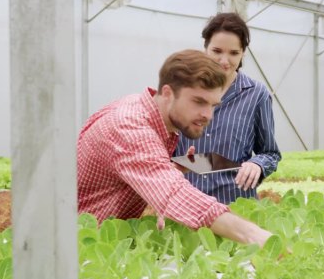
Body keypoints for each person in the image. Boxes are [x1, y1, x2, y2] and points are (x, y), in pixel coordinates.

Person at [77, 49, 272, 247]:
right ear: (168, 93)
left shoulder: (144, 109)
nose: (208, 115)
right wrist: (255, 236)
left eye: (213, 105)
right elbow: (175, 194)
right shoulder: (129, 127)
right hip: (80, 249)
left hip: (104, 242)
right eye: (198, 101)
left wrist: (169, 171)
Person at [175, 13, 281, 204]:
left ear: (243, 53)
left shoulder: (257, 94)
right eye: (217, 51)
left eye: (234, 53)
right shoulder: (182, 89)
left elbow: (270, 153)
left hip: (235, 204)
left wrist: (257, 164)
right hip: (187, 205)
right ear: (205, 48)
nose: (224, 61)